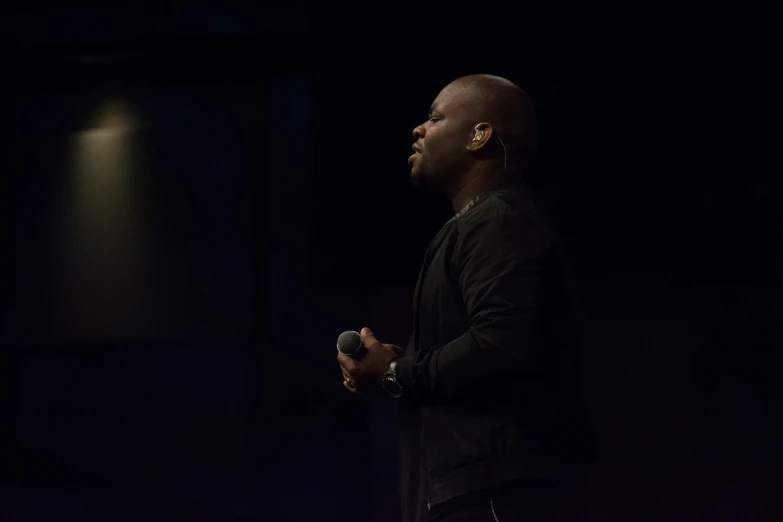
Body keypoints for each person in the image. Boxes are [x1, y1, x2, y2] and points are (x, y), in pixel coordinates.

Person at [337, 75, 594, 521]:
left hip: (495, 494)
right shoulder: (479, 223)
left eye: (435, 117)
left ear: (479, 135)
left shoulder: (498, 220)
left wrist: (397, 371)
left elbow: (501, 344)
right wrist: (396, 365)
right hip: (473, 492)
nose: (418, 128)